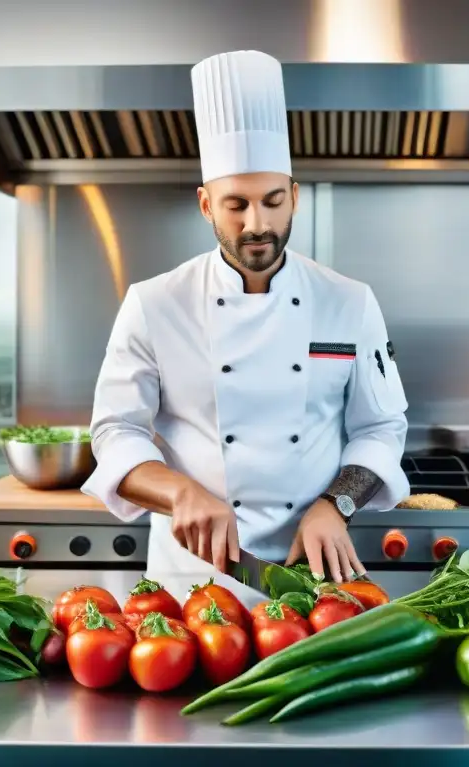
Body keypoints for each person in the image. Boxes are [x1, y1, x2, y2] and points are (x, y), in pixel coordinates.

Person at [81, 50, 409, 601]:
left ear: (294, 200)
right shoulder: (154, 303)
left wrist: (338, 503)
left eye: (272, 202)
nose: (257, 224)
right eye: (236, 205)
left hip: (318, 575)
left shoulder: (348, 301)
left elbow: (382, 428)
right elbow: (116, 433)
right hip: (193, 580)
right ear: (206, 205)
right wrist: (178, 491)